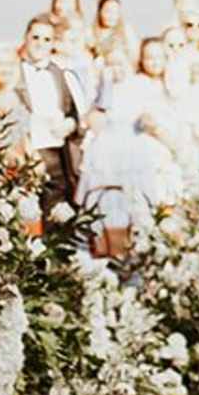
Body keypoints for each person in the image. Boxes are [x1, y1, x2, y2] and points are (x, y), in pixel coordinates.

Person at [82, 34, 188, 256]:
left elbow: (162, 121)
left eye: (121, 63)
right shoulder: (113, 88)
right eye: (112, 64)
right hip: (121, 158)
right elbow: (97, 119)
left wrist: (159, 130)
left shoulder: (150, 87)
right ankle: (116, 259)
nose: (117, 68)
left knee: (155, 215)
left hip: (150, 156)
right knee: (116, 212)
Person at [12, 15, 88, 220]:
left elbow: (76, 115)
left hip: (57, 153)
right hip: (26, 152)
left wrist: (70, 124)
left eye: (47, 39)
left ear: (53, 43)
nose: (40, 44)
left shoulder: (62, 74)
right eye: (35, 37)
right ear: (26, 38)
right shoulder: (14, 71)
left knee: (58, 215)